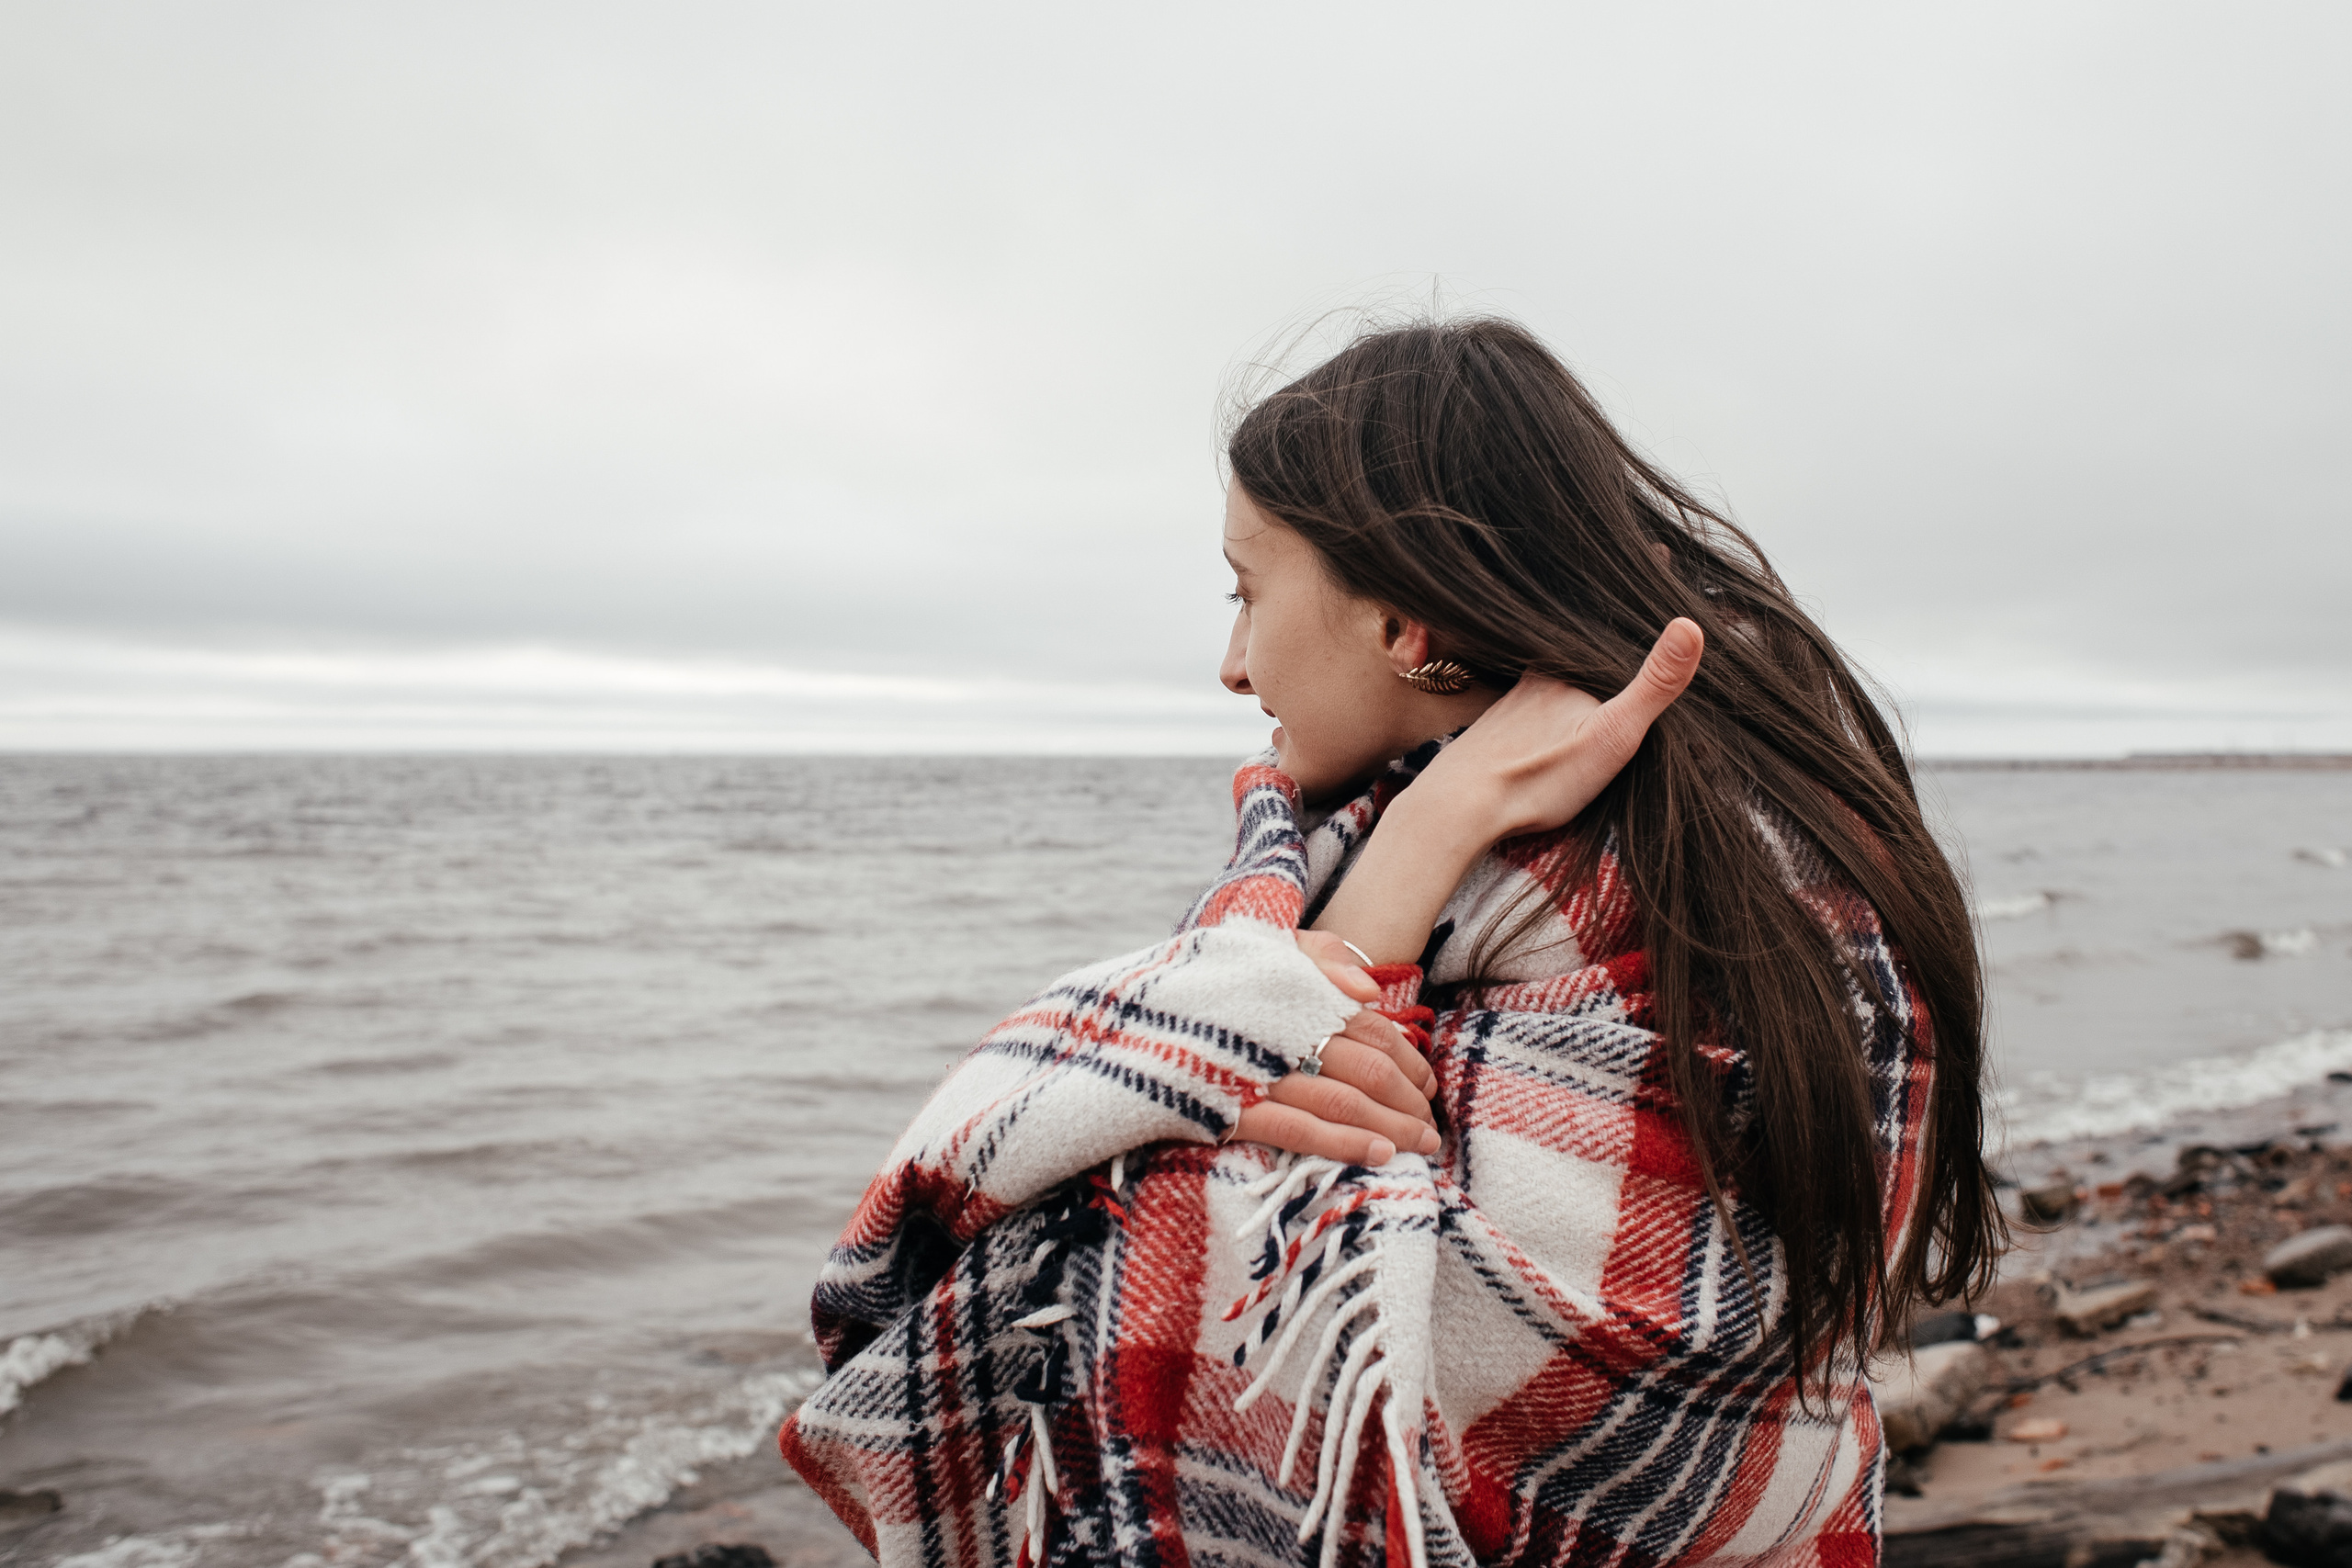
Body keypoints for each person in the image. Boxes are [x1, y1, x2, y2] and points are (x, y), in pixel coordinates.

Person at [779, 316, 2000, 1568]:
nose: (1233, 664)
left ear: (1409, 625)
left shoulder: (1708, 903)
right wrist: (1434, 825)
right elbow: (1298, 1135)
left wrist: (1413, 854)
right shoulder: (1501, 841)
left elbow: (1209, 1300)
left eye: (1249, 591)